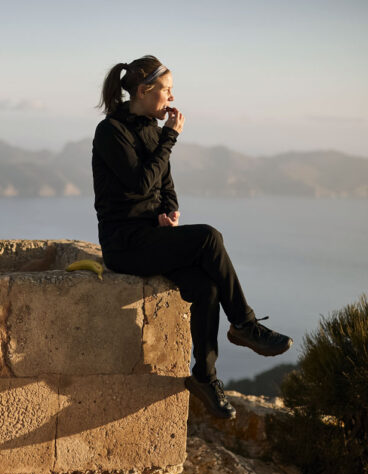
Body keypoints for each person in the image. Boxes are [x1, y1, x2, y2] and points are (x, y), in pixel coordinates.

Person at [92, 55, 293, 419]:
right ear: (143, 91)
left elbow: (164, 184)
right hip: (125, 246)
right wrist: (171, 137)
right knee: (208, 238)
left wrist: (170, 212)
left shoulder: (151, 130)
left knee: (207, 288)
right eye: (166, 89)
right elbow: (139, 182)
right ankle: (245, 325)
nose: (171, 97)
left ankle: (204, 376)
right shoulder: (111, 132)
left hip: (153, 237)